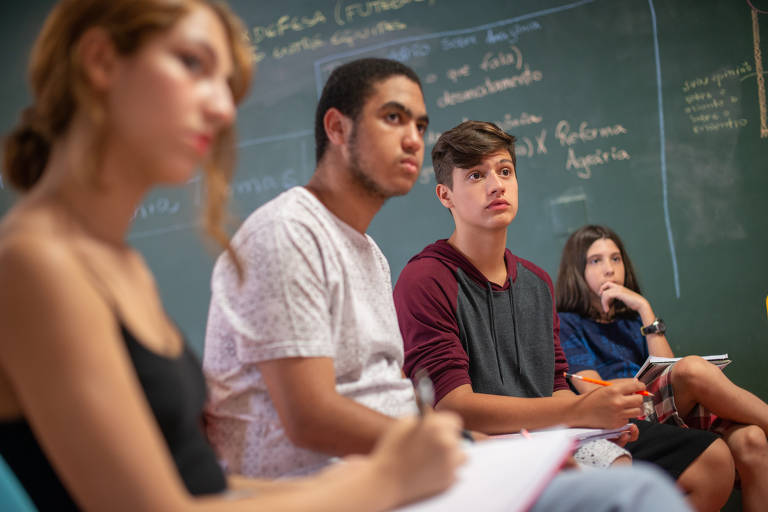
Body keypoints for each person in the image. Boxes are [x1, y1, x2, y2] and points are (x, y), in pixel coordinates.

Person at [0, 1, 467, 510]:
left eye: (227, 86)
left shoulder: (119, 264)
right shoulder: (34, 263)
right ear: (102, 61)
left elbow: (202, 486)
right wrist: (389, 478)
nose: (223, 109)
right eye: (193, 63)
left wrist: (409, 466)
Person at [393, 120, 735, 512]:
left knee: (712, 462)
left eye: (505, 171)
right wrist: (576, 411)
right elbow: (452, 405)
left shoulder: (537, 283)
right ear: (445, 195)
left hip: (555, 432)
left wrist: (595, 425)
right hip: (487, 450)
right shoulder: (425, 279)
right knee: (621, 482)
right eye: (475, 175)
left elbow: (554, 383)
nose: (496, 185)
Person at [556, 224, 768, 512]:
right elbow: (591, 390)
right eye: (596, 260)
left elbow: (666, 367)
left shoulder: (633, 318)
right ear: (576, 270)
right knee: (692, 369)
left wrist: (644, 308)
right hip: (624, 411)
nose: (609, 269)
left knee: (752, 440)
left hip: (663, 408)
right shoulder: (567, 321)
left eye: (615, 259)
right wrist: (636, 385)